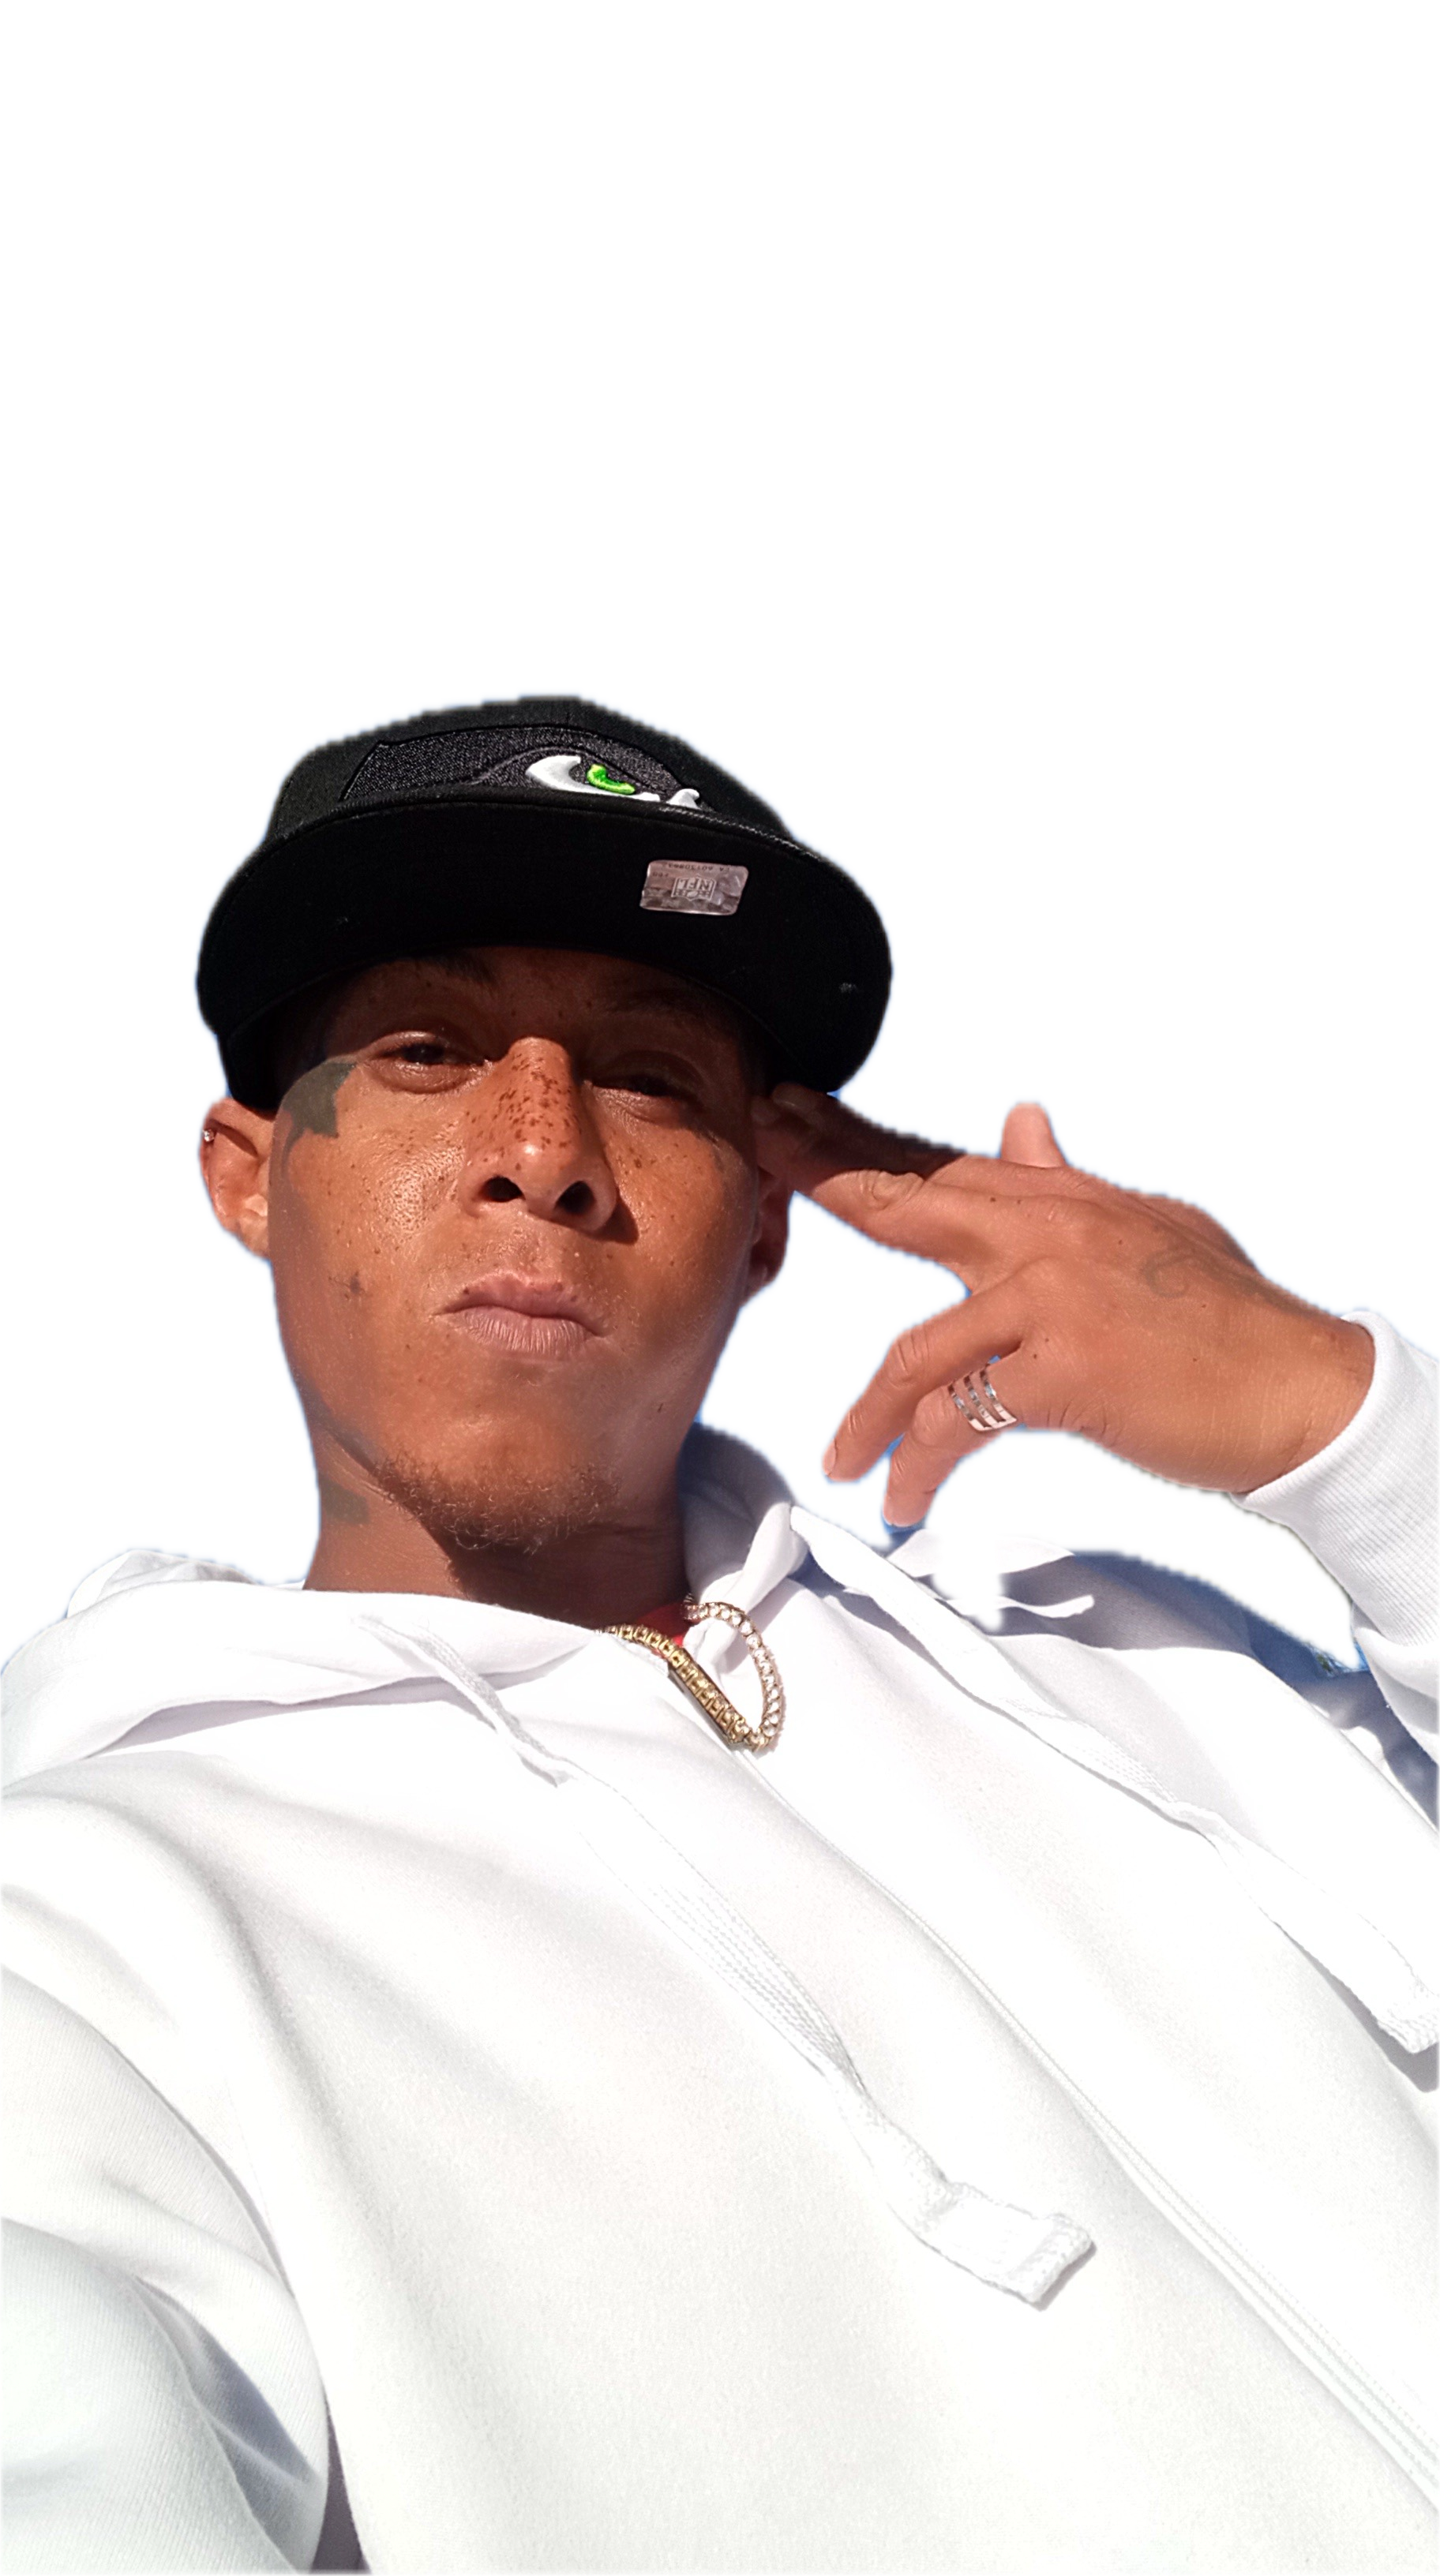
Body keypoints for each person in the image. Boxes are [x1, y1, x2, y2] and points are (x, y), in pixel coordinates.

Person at [2, 687, 1437, 2575]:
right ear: (247, 1174)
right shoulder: (77, 1914)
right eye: (430, 1050)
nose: (545, 1150)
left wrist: (1356, 1427)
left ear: (767, 1229)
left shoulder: (1141, 1655)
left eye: (652, 1077)